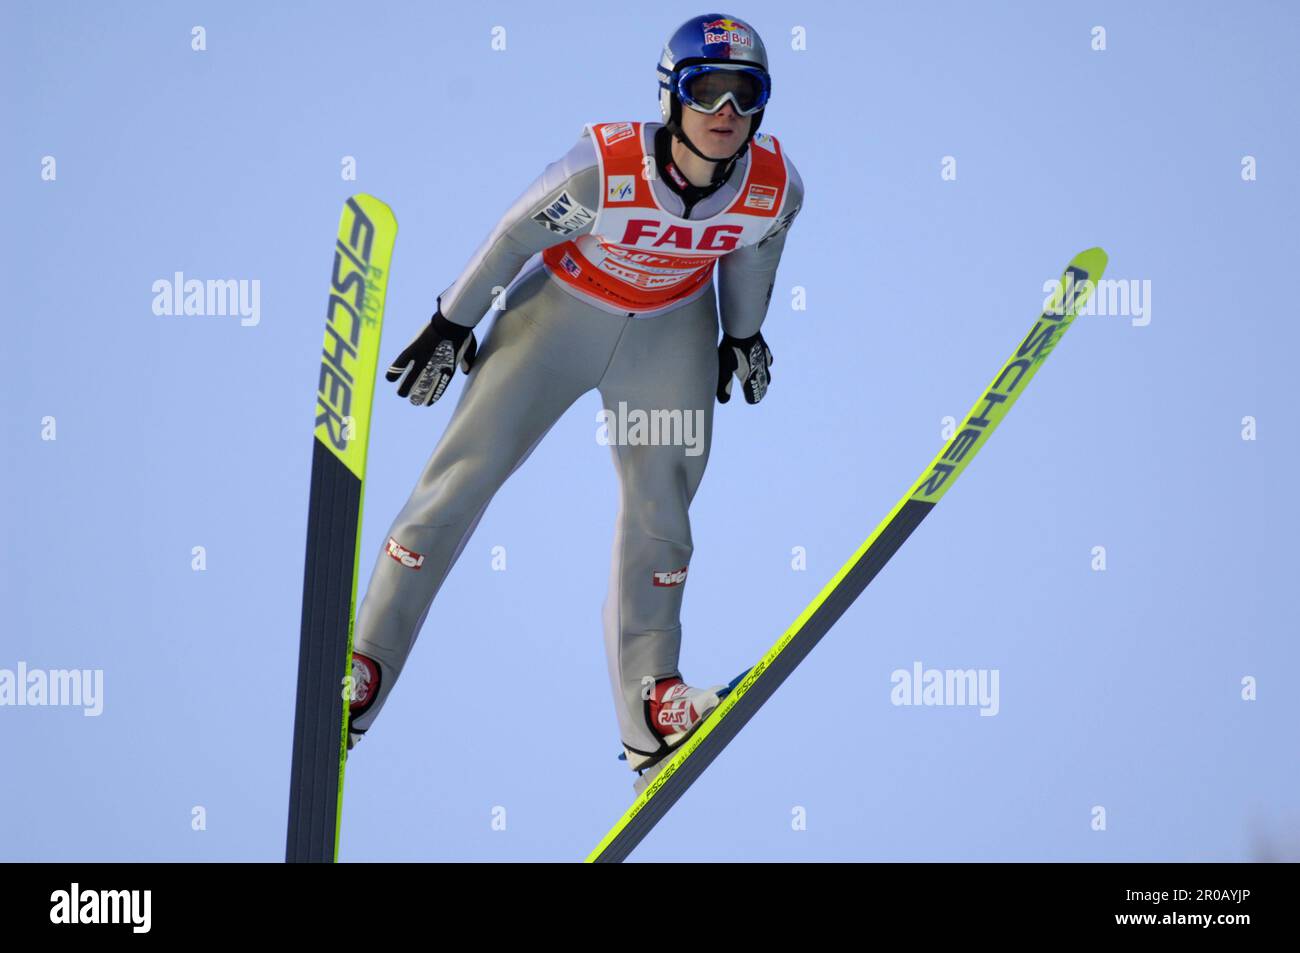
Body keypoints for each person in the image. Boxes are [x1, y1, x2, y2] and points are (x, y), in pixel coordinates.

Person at [346, 13, 804, 777]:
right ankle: (363, 667)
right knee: (460, 481)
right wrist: (452, 319)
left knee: (664, 508)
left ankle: (652, 705)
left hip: (669, 327)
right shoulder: (603, 167)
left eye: (744, 95)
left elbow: (753, 259)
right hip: (557, 316)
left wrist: (744, 335)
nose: (726, 114)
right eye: (707, 90)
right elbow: (514, 234)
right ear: (671, 96)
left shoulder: (774, 188)